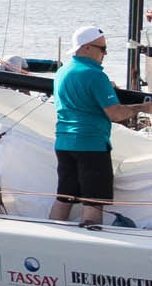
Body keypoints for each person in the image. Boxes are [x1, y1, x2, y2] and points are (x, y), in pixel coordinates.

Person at [50, 24, 148, 228]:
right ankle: (92, 240)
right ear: (86, 47)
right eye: (102, 49)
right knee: (94, 201)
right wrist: (143, 107)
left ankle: (52, 235)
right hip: (91, 145)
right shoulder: (95, 75)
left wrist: (106, 88)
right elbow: (116, 114)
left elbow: (81, 95)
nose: (105, 54)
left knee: (64, 197)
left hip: (64, 142)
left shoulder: (62, 71)